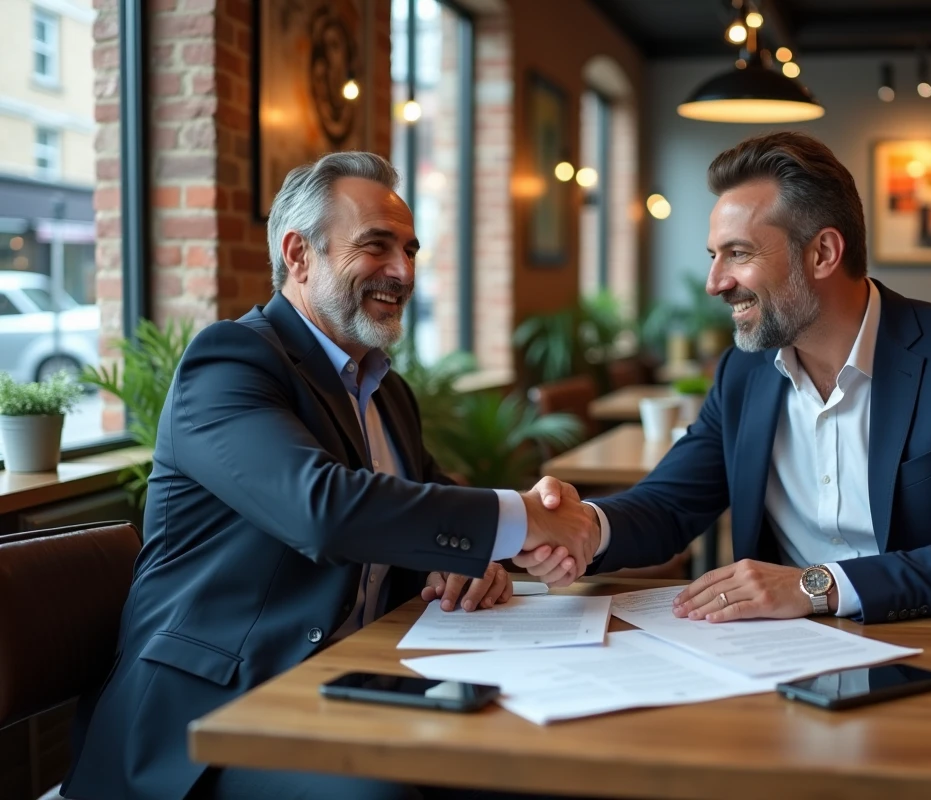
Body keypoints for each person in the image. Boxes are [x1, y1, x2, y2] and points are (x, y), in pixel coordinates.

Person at [518, 131, 931, 800]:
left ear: (822, 251)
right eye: (713, 256)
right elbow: (671, 504)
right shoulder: (743, 373)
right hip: (784, 676)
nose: (714, 282)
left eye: (738, 254)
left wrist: (816, 585)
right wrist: (586, 526)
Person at [62, 152, 597, 800]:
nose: (402, 272)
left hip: (352, 680)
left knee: (536, 756)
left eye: (409, 249)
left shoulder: (386, 388)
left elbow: (434, 506)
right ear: (298, 255)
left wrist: (490, 547)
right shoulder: (231, 361)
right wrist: (520, 520)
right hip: (213, 716)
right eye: (376, 247)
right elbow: (324, 510)